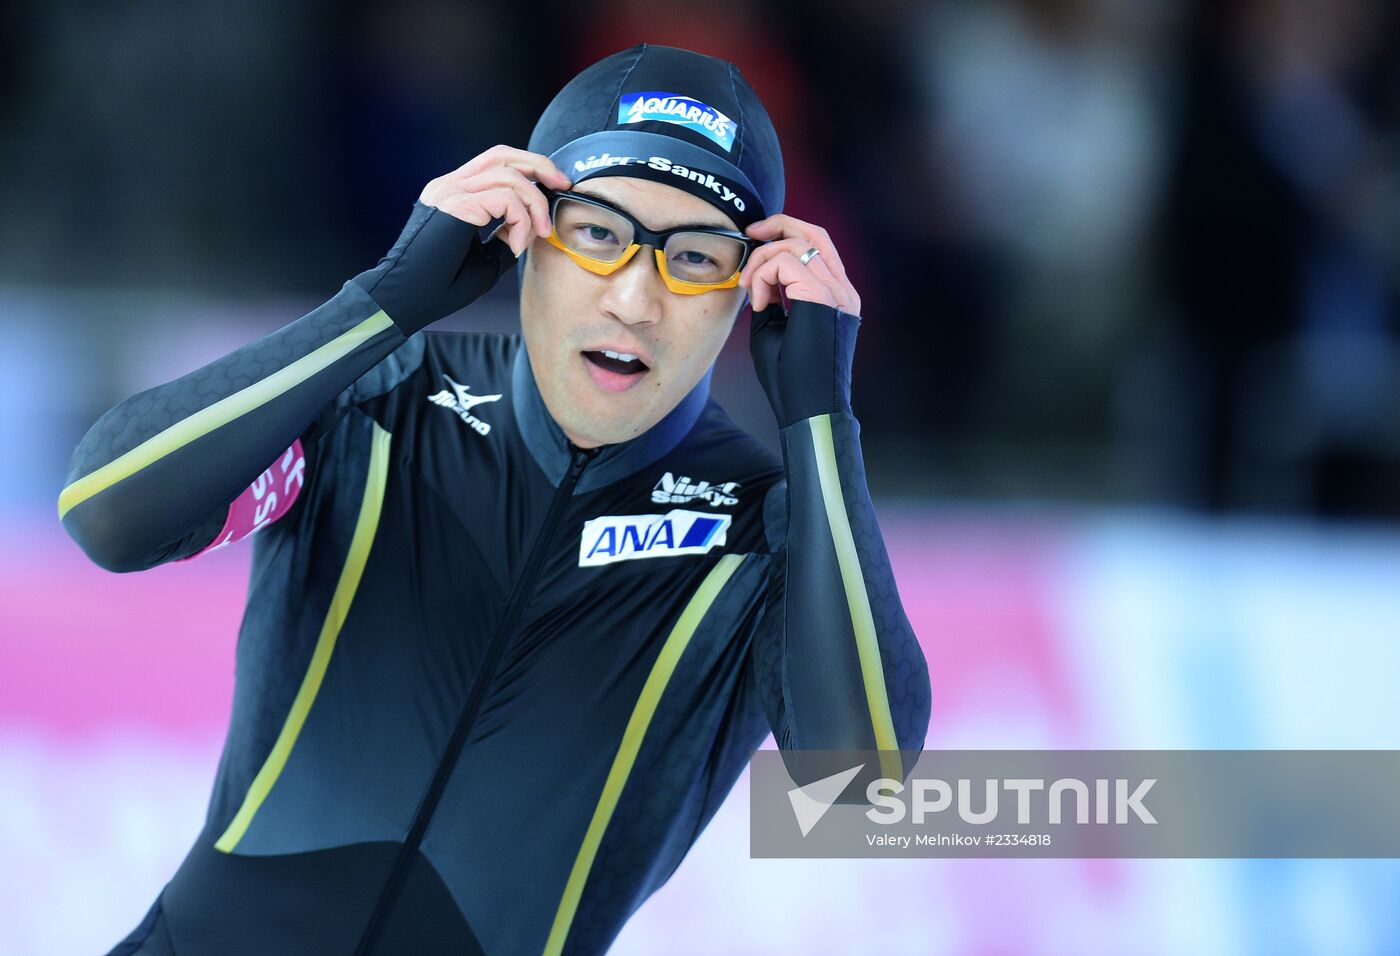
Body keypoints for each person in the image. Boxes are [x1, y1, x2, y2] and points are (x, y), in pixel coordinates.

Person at [62, 43, 931, 956]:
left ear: (747, 294)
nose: (636, 299)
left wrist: (821, 424)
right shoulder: (377, 396)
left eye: (696, 256)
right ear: (526, 233)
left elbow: (859, 785)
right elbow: (111, 513)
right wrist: (384, 301)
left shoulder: (763, 525)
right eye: (598, 232)